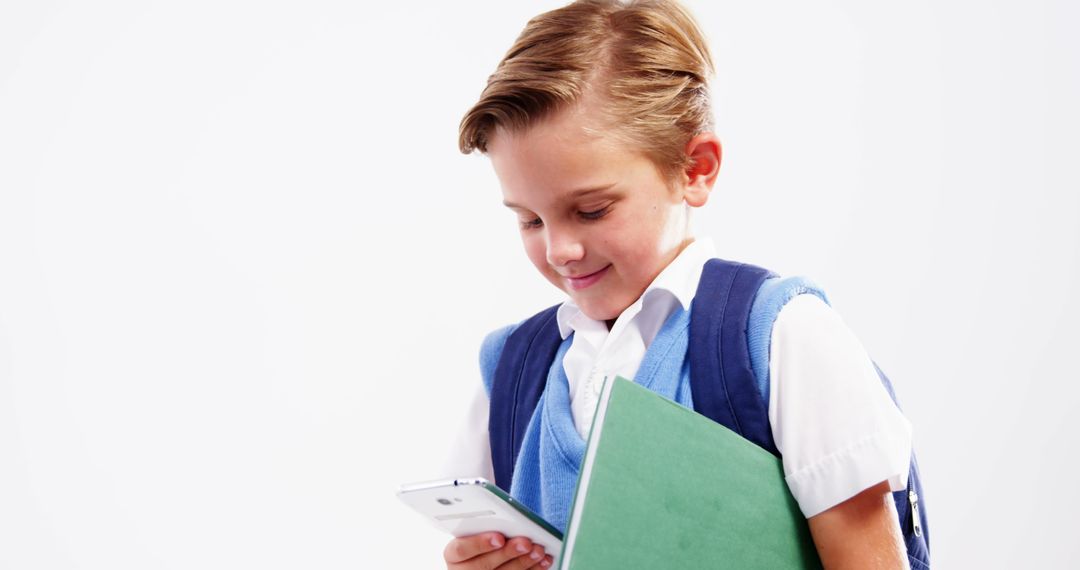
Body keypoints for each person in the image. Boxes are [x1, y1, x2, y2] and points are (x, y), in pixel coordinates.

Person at [440, 1, 921, 568]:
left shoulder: (781, 337)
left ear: (695, 169)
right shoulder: (512, 369)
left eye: (591, 210)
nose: (559, 250)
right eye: (529, 220)